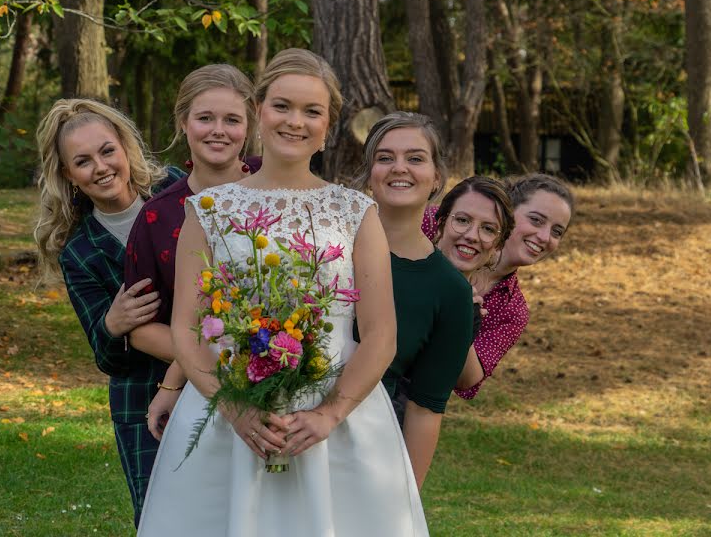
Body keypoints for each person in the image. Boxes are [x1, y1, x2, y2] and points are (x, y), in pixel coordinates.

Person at [137, 49, 428, 536]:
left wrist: (329, 415)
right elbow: (187, 330)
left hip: (336, 417)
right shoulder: (207, 210)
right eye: (282, 106)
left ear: (329, 123)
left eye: (312, 111)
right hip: (229, 412)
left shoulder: (356, 212)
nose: (296, 122)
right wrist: (235, 409)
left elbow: (381, 335)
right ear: (258, 112)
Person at [32, 99, 183, 528]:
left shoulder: (175, 189)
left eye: (106, 151)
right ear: (67, 175)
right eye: (82, 161)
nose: (100, 167)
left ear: (125, 147)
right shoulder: (80, 251)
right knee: (161, 517)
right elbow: (107, 358)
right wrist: (112, 325)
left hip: (219, 371)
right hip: (142, 397)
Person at [354, 113, 512, 489]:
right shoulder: (327, 241)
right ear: (369, 172)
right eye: (385, 157)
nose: (399, 168)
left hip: (367, 446)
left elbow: (425, 410)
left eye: (415, 158)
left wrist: (403, 503)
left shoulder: (451, 292)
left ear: (437, 176)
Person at [123, 64, 259, 480]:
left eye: (232, 119)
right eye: (205, 118)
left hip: (284, 378)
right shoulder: (157, 216)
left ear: (249, 126)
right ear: (183, 122)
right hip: (196, 396)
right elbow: (140, 328)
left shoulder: (276, 191)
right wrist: (219, 362)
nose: (218, 130)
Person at [450, 173, 574, 398]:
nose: (545, 237)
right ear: (508, 213)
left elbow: (467, 380)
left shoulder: (513, 310)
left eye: (557, 232)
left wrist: (461, 322)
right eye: (536, 220)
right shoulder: (446, 227)